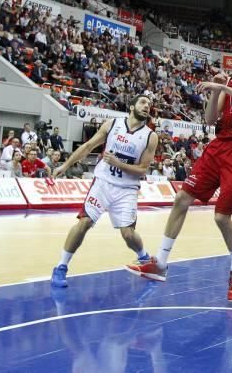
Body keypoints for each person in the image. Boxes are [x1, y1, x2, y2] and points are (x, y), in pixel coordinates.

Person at [125, 39, 232, 305]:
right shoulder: (231, 82)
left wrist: (224, 86)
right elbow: (209, 120)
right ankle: (160, 263)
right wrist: (218, 93)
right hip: (219, 147)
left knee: (221, 217)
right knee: (181, 199)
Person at [49, 95, 158, 288]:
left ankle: (144, 257)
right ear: (131, 106)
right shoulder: (112, 124)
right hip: (103, 183)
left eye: (149, 105)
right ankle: (61, 267)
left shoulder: (150, 136)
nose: (146, 106)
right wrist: (65, 166)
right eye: (142, 103)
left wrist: (118, 163)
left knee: (128, 235)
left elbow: (142, 169)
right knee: (84, 223)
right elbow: (88, 146)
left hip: (127, 189)